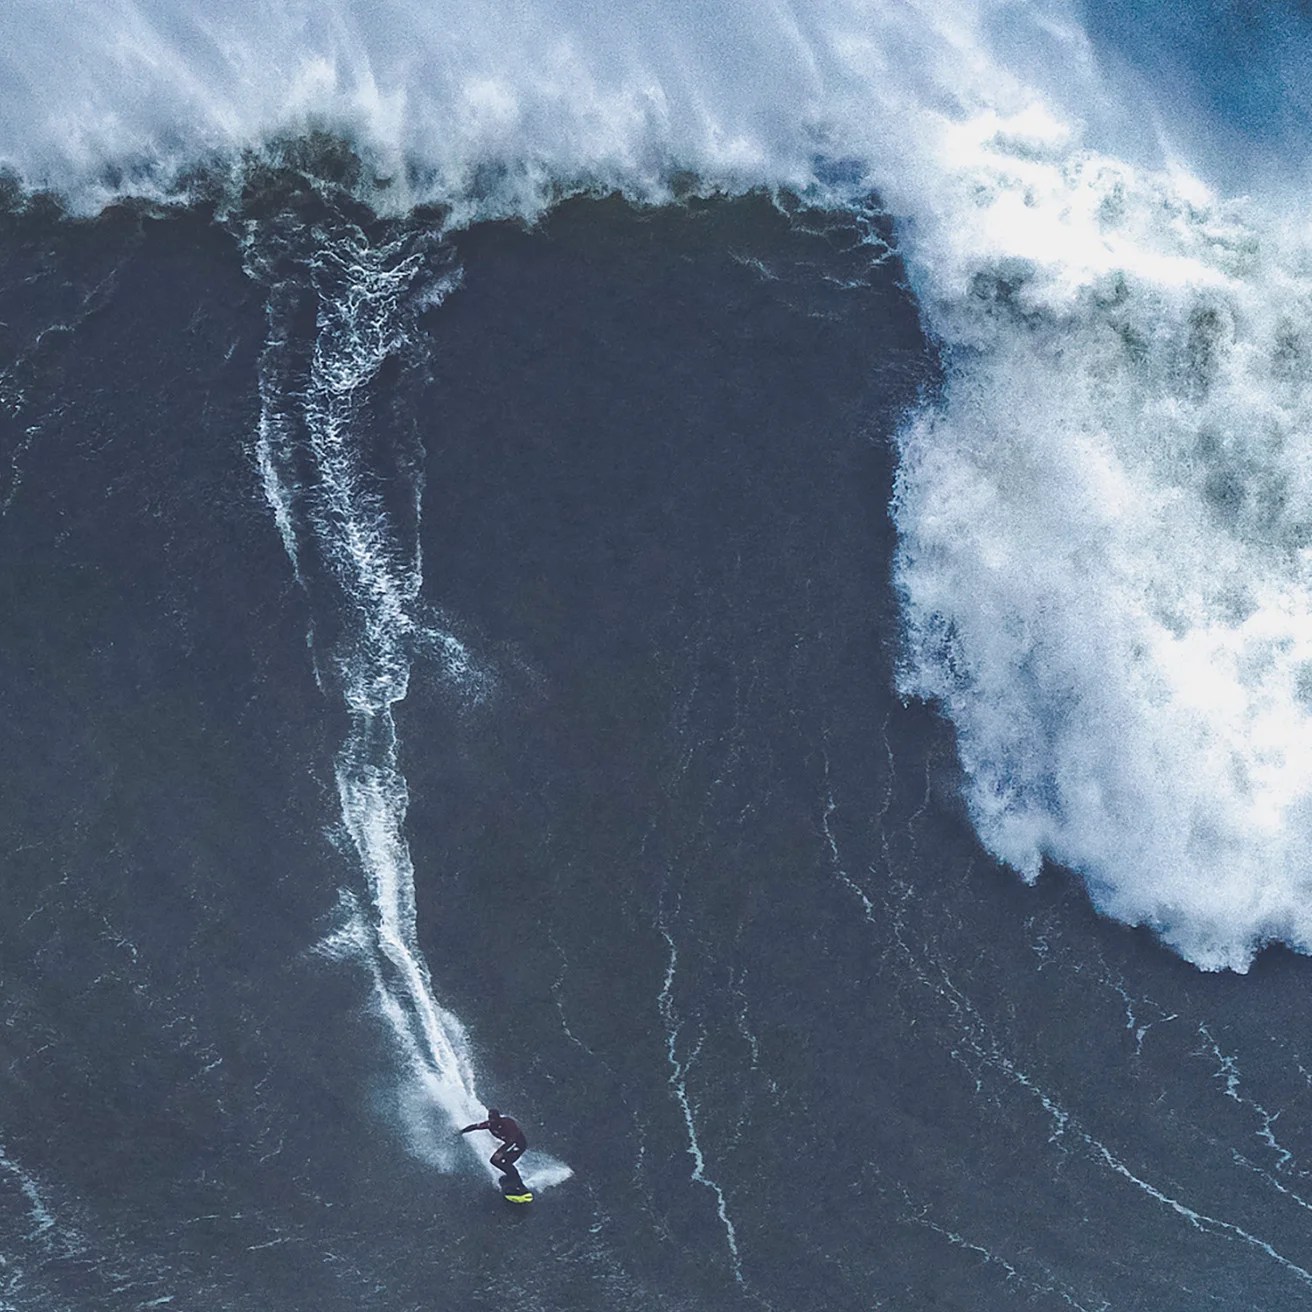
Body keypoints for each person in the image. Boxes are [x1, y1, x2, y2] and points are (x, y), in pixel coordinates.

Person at [459, 1108, 528, 1177]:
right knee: (494, 1161)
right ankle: (510, 1176)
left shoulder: (507, 1123)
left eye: (494, 1119)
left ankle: (515, 1178)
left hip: (519, 1144)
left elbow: (512, 1140)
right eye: (490, 1118)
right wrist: (461, 1131)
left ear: (498, 1118)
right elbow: (475, 1126)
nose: (492, 1120)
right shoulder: (489, 1124)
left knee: (505, 1161)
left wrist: (501, 1152)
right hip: (509, 1144)